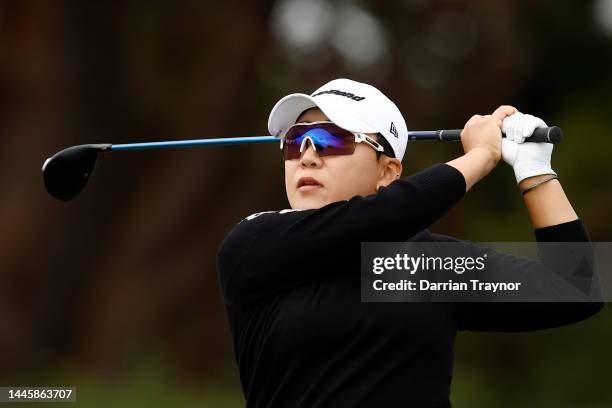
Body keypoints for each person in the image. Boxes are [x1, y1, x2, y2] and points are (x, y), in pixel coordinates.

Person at [216, 78, 603, 407]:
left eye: (332, 140)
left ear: (388, 171)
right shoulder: (255, 243)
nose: (308, 156)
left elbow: (575, 288)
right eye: (295, 140)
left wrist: (535, 170)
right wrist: (481, 155)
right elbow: (386, 216)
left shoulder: (424, 268)